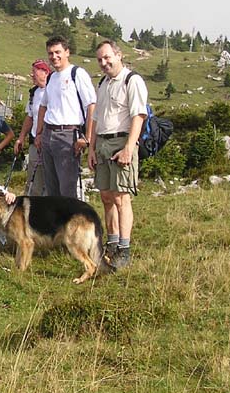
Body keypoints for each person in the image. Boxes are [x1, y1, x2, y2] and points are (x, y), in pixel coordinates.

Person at [88, 40, 148, 270]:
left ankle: (124, 248)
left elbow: (138, 116)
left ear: (118, 55)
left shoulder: (132, 80)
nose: (104, 63)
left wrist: (129, 148)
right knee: (106, 196)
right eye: (100, 60)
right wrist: (91, 149)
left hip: (122, 141)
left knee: (122, 198)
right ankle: (112, 243)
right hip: (102, 143)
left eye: (107, 57)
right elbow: (96, 119)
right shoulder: (103, 83)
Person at [35, 36, 96, 199]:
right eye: (50, 53)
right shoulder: (51, 77)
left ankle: (72, 216)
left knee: (67, 188)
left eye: (58, 52)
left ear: (67, 52)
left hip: (68, 135)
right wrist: (39, 133)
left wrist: (88, 137)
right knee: (51, 188)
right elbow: (43, 106)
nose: (54, 57)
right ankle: (56, 216)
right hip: (48, 133)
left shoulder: (77, 74)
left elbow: (91, 105)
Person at [14, 59, 51, 195]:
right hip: (35, 141)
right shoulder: (33, 93)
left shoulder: (53, 90)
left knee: (50, 180)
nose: (31, 75)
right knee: (33, 180)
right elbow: (30, 116)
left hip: (50, 142)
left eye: (34, 72)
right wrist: (21, 137)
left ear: (45, 72)